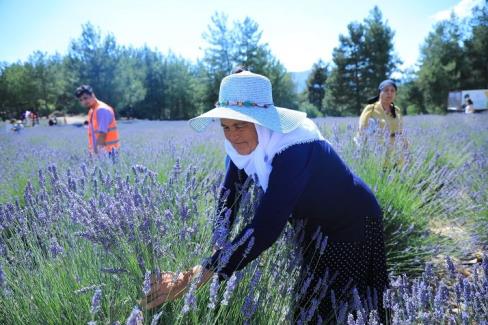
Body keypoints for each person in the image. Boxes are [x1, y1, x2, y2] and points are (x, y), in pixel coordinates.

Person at [141, 70, 389, 323]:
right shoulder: (243, 146)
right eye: (225, 127)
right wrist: (219, 243)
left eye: (240, 125)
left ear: (262, 121)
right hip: (313, 229)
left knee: (344, 309)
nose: (233, 135)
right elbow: (229, 195)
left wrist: (194, 277)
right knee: (312, 308)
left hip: (351, 224)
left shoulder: (294, 146)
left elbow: (266, 227)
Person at [74, 85, 120, 155]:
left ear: (93, 95)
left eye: (85, 98)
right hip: (102, 152)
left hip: (109, 153)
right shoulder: (92, 111)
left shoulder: (102, 110)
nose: (84, 102)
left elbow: (102, 134)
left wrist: (97, 154)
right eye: (81, 100)